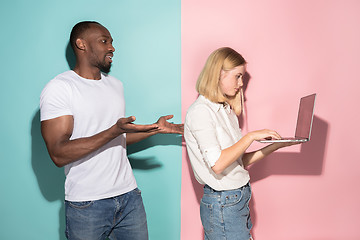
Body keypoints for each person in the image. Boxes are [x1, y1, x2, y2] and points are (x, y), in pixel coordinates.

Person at [40, 21, 183, 240]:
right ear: (81, 44)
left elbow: (119, 137)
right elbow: (58, 153)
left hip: (129, 197)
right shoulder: (60, 88)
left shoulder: (116, 85)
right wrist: (113, 131)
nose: (112, 48)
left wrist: (155, 128)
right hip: (86, 204)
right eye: (104, 41)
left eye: (112, 42)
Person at [184, 47, 299, 240]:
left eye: (242, 77)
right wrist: (250, 136)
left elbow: (238, 162)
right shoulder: (201, 112)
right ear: (219, 73)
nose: (241, 83)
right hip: (223, 202)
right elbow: (218, 164)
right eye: (237, 76)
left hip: (237, 198)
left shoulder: (226, 110)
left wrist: (275, 146)